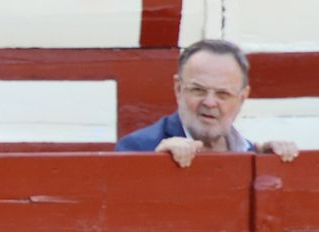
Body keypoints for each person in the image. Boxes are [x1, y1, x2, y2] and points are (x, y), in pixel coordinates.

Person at [115, 39, 298, 167]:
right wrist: (154, 165)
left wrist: (276, 164)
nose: (210, 102)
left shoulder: (254, 154)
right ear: (178, 89)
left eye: (223, 94)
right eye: (198, 90)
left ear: (242, 98)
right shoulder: (138, 149)